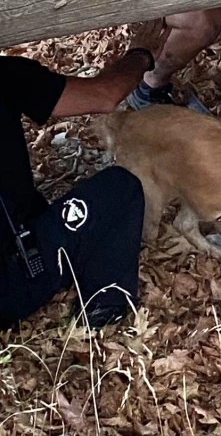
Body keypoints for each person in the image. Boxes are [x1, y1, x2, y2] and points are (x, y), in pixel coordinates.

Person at [0, 21, 169, 331]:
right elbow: (105, 95)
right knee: (120, 188)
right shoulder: (5, 76)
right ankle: (101, 310)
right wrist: (141, 54)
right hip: (13, 283)